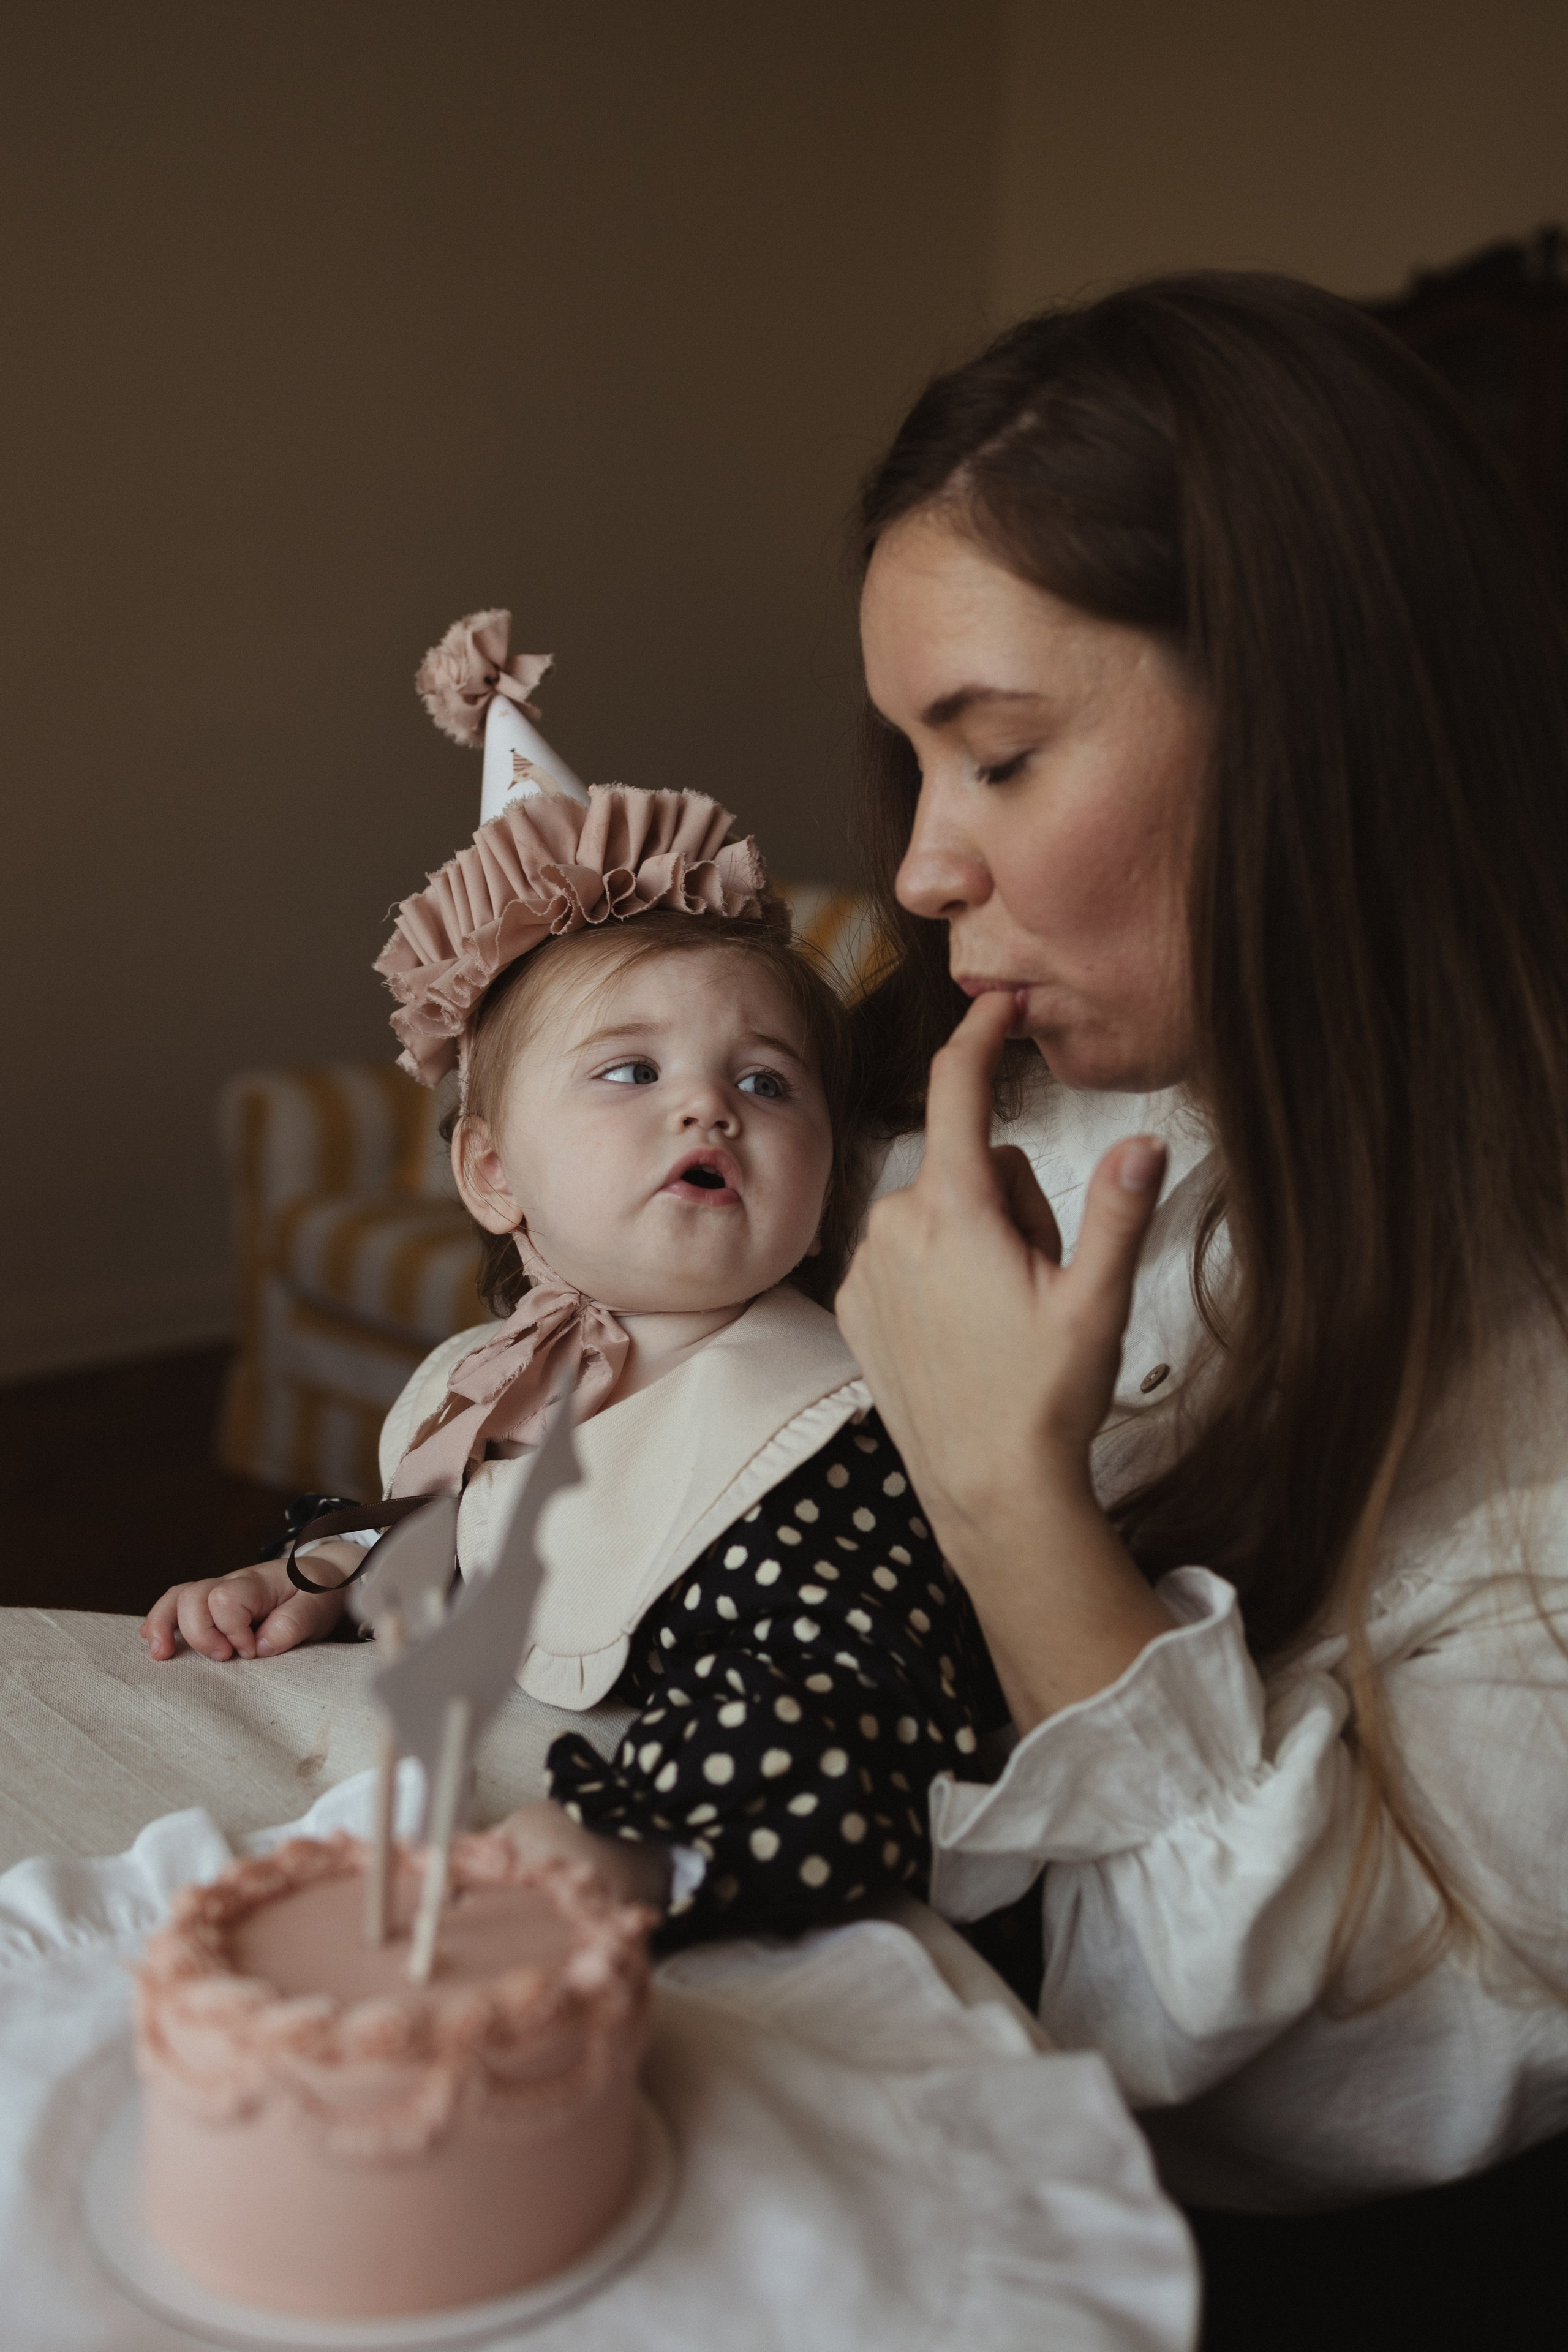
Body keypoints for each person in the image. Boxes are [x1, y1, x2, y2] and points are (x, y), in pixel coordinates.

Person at [835, 272, 1568, 2220]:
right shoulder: (980, 1106)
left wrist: (1008, 1499)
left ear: (1311, 715)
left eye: (995, 755)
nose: (921, 866)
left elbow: (1363, 2093)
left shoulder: (1530, 1369)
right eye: (913, 761)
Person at [141, 735, 1002, 1948]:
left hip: (755, 1908)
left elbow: (848, 1718)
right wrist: (309, 1584)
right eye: (631, 1070)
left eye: (765, 1084)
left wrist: (642, 1850)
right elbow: (464, 1528)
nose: (705, 1105)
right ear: (493, 1173)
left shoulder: (806, 1430)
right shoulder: (491, 1377)